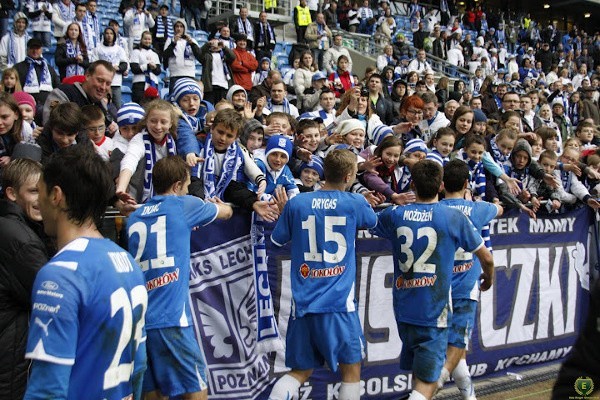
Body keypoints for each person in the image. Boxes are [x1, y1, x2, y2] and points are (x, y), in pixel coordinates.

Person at [23, 145, 147, 399]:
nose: (39, 201)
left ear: (56, 195)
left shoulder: (59, 275)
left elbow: (48, 388)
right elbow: (140, 363)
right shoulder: (129, 263)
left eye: (41, 192)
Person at [370, 159, 494, 400]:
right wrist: (488, 279)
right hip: (434, 311)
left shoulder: (395, 214)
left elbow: (371, 222)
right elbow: (487, 259)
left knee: (419, 373)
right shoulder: (452, 217)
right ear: (440, 186)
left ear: (413, 185)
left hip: (404, 310)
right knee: (428, 383)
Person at [268, 149, 377, 400]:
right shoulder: (355, 202)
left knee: (299, 371)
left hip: (303, 307)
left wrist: (289, 213)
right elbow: (370, 222)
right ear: (350, 175)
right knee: (351, 370)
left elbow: (276, 241)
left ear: (323, 172)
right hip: (339, 307)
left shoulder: (296, 203)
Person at [127, 155, 232, 400]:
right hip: (171, 318)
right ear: (176, 186)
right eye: (185, 186)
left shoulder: (134, 216)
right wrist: (222, 205)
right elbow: (226, 213)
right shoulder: (184, 205)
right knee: (196, 388)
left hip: (141, 321)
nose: (186, 190)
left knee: (152, 392)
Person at [437, 160, 502, 398]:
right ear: (466, 183)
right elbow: (499, 209)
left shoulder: (436, 209)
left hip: (438, 289)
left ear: (442, 185)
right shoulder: (477, 209)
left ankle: (468, 395)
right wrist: (489, 202)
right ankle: (437, 382)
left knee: (453, 348)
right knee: (457, 347)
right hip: (465, 288)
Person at [0, 159, 50, 400]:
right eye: (33, 191)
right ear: (11, 193)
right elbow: (50, 297)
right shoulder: (21, 240)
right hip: (10, 357)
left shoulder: (15, 229)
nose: (40, 199)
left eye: (43, 191)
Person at [42, 60, 116, 128]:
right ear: (87, 76)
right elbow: (52, 126)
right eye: (100, 80)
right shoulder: (62, 94)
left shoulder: (102, 106)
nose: (103, 87)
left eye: (108, 83)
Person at [14, 38, 60, 109]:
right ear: (27, 50)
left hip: (47, 107)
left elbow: (57, 88)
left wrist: (53, 105)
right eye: (32, 48)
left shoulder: (49, 68)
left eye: (37, 48)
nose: (35, 51)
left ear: (41, 50)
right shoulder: (18, 67)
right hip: (26, 106)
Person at [162, 19, 201, 92]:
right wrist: (173, 43)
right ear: (174, 28)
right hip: (175, 75)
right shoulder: (170, 40)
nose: (179, 29)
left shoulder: (192, 40)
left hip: (189, 74)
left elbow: (199, 56)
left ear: (184, 28)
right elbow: (165, 56)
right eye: (177, 26)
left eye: (181, 26)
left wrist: (192, 43)